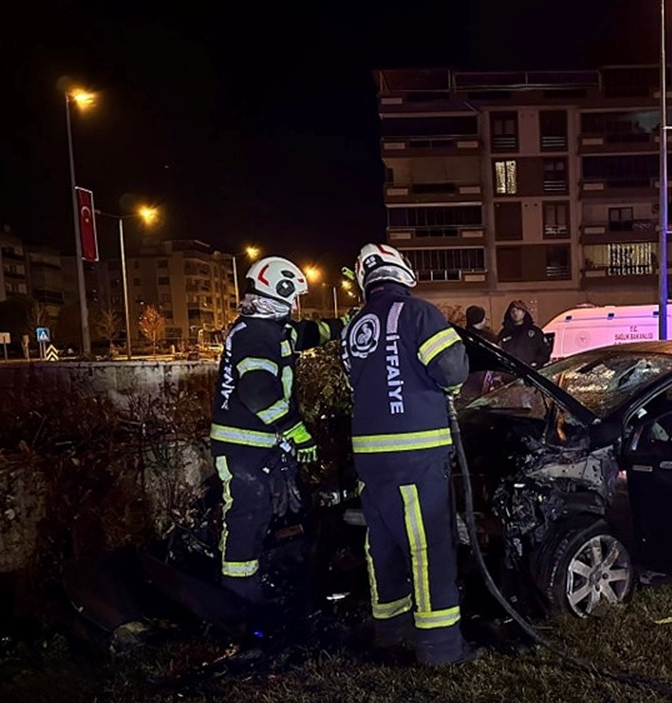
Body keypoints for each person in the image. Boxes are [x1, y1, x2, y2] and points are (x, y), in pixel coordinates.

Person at [342, 243, 480, 667]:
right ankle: (441, 649)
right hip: (416, 453)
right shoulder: (417, 313)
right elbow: (453, 369)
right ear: (402, 272)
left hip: (370, 455)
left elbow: (358, 384)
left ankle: (390, 630)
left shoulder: (355, 325)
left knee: (382, 544)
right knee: (429, 548)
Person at [210, 256, 348, 628]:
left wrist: (347, 324)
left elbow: (308, 333)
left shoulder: (272, 329)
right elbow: (256, 391)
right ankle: (238, 604)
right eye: (293, 297)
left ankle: (258, 588)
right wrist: (296, 431)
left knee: (265, 516)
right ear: (278, 291)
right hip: (243, 448)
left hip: (259, 446)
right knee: (247, 516)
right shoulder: (256, 334)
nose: (296, 306)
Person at [498, 299, 550, 368]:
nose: (515, 313)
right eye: (513, 311)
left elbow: (544, 351)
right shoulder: (504, 333)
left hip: (532, 371)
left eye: (518, 310)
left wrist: (536, 363)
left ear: (524, 312)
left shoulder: (535, 332)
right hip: (511, 373)